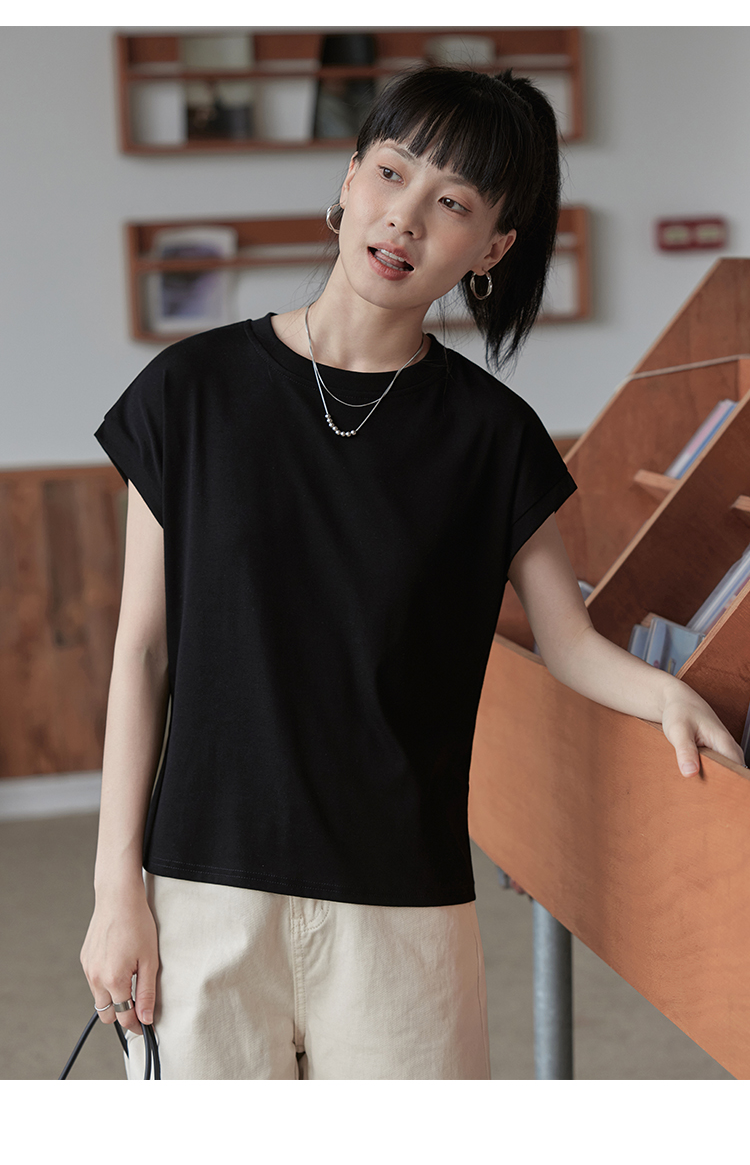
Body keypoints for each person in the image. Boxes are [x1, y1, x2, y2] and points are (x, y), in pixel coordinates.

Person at [81, 67, 744, 1081]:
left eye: (453, 203)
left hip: (404, 908)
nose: (406, 218)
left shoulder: (493, 438)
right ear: (349, 179)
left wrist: (669, 695)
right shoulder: (190, 394)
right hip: (203, 891)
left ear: (493, 249)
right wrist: (113, 891)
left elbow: (568, 642)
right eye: (393, 173)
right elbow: (142, 653)